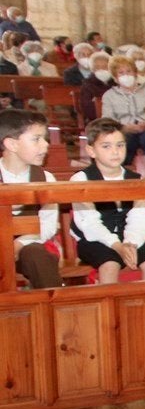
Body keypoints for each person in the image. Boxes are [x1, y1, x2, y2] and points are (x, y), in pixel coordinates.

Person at [69, 118, 145, 284]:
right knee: (110, 265)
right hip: (93, 238)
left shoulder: (136, 180)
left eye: (120, 145)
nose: (115, 152)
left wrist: (130, 243)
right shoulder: (81, 180)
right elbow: (89, 224)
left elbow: (139, 218)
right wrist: (116, 245)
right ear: (91, 151)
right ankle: (109, 307)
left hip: (128, 236)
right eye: (106, 146)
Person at [0, 109, 61, 288]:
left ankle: (54, 308)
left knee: (38, 257)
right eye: (36, 139)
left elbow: (48, 225)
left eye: (45, 139)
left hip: (30, 242)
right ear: (12, 144)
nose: (45, 145)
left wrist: (18, 244)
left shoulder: (46, 178)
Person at [100, 56, 145, 178]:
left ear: (135, 73)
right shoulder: (109, 95)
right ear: (115, 77)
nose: (126, 75)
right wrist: (124, 127)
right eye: (121, 73)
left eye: (129, 71)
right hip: (123, 129)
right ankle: (123, 176)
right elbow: (107, 119)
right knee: (125, 141)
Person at [78, 50, 114, 123]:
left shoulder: (116, 83)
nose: (101, 70)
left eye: (105, 67)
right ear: (92, 69)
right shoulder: (87, 84)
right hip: (97, 121)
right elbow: (87, 107)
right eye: (97, 67)